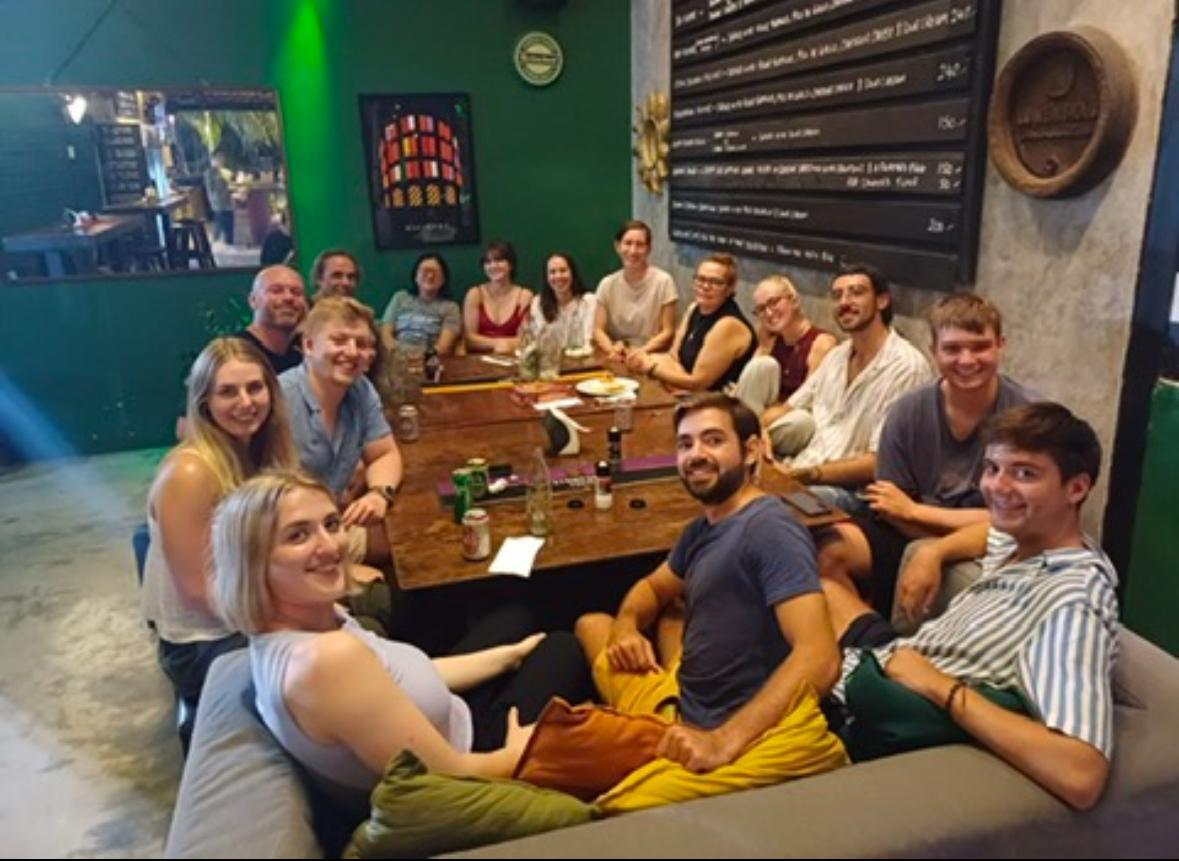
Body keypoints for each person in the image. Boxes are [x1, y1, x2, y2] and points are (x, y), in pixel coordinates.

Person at [209, 471, 592, 816]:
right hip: (469, 757)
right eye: (298, 535)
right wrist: (522, 751)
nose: (330, 546)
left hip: (439, 716)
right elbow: (451, 776)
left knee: (517, 617)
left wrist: (509, 656)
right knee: (564, 647)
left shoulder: (303, 618)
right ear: (252, 562)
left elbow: (401, 680)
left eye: (331, 524)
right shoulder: (327, 661)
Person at [827, 402, 1118, 811]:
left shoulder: (1070, 603)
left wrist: (942, 689)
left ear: (1076, 488)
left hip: (869, 702)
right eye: (993, 468)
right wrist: (934, 552)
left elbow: (1080, 773)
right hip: (888, 658)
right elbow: (989, 530)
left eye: (1025, 473)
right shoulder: (1031, 540)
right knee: (815, 585)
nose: (998, 487)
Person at [575, 393, 843, 780]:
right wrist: (627, 627)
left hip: (736, 730)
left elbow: (821, 657)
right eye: (685, 444)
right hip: (684, 700)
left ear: (752, 451)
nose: (696, 454)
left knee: (613, 802)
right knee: (593, 625)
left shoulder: (770, 529)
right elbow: (653, 588)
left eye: (713, 440)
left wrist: (721, 741)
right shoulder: (701, 529)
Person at [817, 293, 1034, 623]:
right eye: (952, 349)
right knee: (827, 550)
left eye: (980, 347)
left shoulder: (1028, 419)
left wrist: (918, 514)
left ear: (1001, 346)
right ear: (933, 351)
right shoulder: (907, 412)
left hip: (996, 540)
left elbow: (1020, 519)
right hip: (909, 532)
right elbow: (889, 507)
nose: (967, 360)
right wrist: (924, 535)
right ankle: (867, 637)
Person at [142, 338, 297, 708]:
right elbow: (198, 593)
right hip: (203, 642)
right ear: (204, 402)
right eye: (228, 392)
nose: (246, 402)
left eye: (255, 388)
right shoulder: (190, 472)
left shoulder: (257, 452)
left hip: (243, 612)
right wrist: (290, 613)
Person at [774, 262, 932, 513]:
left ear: (882, 301)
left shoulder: (906, 367)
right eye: (838, 295)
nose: (844, 302)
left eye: (856, 292)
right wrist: (755, 432)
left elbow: (879, 462)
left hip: (851, 493)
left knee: (775, 508)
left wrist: (802, 475)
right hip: (804, 470)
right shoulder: (837, 356)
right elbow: (789, 407)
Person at [279, 297, 402, 565]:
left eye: (362, 344)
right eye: (339, 340)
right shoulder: (278, 400)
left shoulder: (361, 389)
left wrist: (378, 494)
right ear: (309, 346)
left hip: (329, 523)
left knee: (401, 545)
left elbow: (384, 454)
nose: (353, 352)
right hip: (280, 540)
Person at [626, 254, 756, 392]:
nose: (705, 286)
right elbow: (673, 358)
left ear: (729, 289)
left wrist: (651, 368)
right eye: (701, 279)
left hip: (714, 400)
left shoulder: (728, 325)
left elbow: (698, 383)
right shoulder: (694, 308)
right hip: (684, 389)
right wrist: (637, 355)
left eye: (716, 282)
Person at [733, 274, 836, 416]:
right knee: (762, 365)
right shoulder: (769, 340)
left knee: (800, 419)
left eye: (773, 302)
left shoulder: (821, 343)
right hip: (762, 414)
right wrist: (763, 347)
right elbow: (747, 387)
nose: (769, 313)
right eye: (761, 309)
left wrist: (772, 415)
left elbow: (809, 399)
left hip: (794, 417)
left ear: (794, 300)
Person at [593, 219, 678, 358]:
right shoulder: (607, 284)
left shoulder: (664, 282)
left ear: (648, 249)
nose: (633, 251)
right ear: (618, 246)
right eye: (628, 243)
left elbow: (668, 331)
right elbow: (598, 330)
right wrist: (611, 349)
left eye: (640, 245)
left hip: (651, 356)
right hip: (616, 355)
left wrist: (641, 352)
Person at [381, 253, 461, 356]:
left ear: (443, 280)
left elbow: (442, 347)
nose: (430, 276)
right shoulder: (400, 298)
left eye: (435, 272)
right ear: (415, 276)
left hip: (428, 360)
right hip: (396, 357)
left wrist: (419, 358)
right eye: (425, 271)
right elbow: (385, 335)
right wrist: (397, 353)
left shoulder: (451, 307)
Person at [233, 264, 307, 375]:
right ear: (253, 300)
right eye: (276, 291)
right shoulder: (235, 353)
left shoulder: (306, 353)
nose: (289, 297)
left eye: (296, 292)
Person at [463, 240, 533, 354]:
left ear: (511, 264)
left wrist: (502, 345)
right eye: (488, 262)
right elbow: (469, 339)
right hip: (478, 360)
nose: (493, 266)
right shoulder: (474, 294)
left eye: (499, 260)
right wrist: (500, 344)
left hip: (514, 359)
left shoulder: (525, 295)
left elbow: (525, 339)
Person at [527, 252, 596, 351]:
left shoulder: (588, 301)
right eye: (552, 272)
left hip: (582, 358)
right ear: (546, 277)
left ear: (572, 273)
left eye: (563, 270)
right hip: (550, 359)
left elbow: (588, 342)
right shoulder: (538, 303)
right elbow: (539, 342)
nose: (558, 276)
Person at [205, 150, 234, 245]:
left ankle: (228, 239)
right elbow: (211, 189)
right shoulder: (210, 173)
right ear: (213, 159)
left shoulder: (225, 171)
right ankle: (216, 238)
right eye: (219, 158)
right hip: (218, 201)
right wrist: (220, 178)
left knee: (229, 218)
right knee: (221, 219)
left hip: (227, 200)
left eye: (222, 157)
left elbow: (229, 184)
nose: (222, 160)